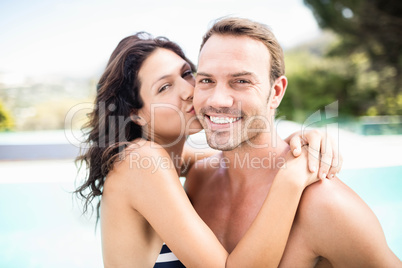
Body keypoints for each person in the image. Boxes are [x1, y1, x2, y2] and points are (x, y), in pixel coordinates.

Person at [75, 32, 341, 267]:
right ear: (137, 115)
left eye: (187, 74)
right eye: (165, 87)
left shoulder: (171, 159)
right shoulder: (143, 159)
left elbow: (247, 157)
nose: (189, 91)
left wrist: (300, 142)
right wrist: (291, 180)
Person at [186, 17, 401, 267]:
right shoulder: (198, 179)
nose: (218, 100)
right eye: (206, 80)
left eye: (241, 81)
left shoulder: (325, 204)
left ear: (276, 92)